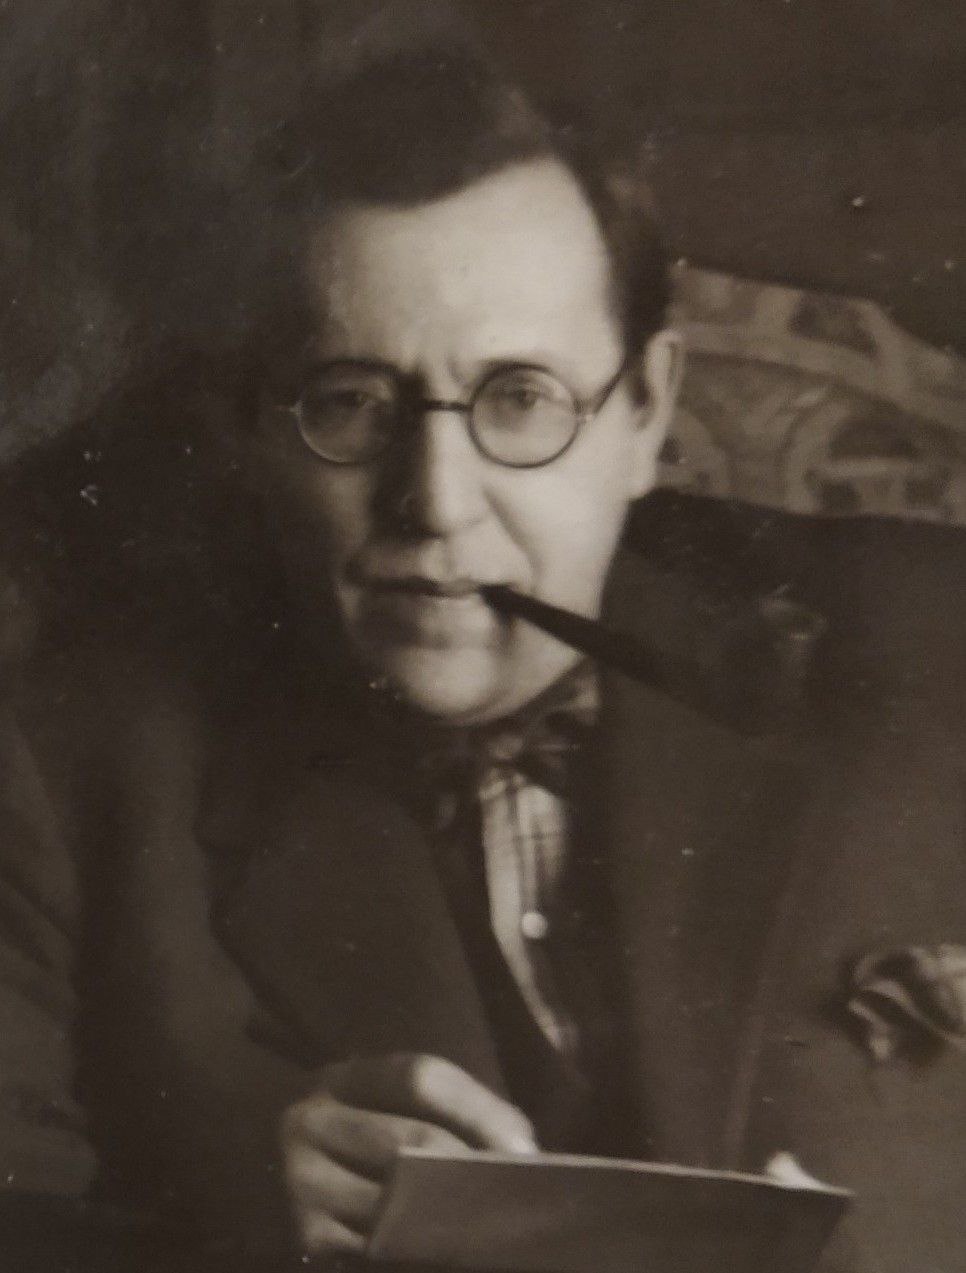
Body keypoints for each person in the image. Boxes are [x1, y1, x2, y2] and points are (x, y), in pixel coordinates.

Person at [1, 44, 965, 1273]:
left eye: (519, 399)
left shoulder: (926, 650)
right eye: (351, 402)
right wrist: (233, 1235)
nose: (438, 502)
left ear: (645, 412)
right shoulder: (65, 772)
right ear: (254, 429)